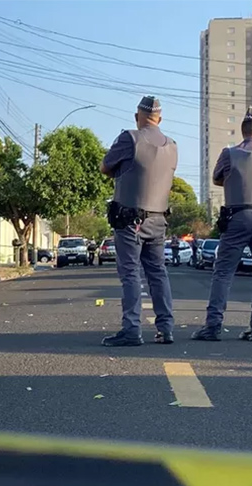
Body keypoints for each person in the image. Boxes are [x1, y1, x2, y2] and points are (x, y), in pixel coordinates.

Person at [192, 106, 252, 343]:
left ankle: (213, 326)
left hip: (238, 216)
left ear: (244, 132)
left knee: (223, 272)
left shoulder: (228, 153)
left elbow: (217, 178)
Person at [100, 95, 178, 346]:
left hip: (130, 219)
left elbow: (105, 166)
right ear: (160, 119)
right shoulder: (172, 145)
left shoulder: (129, 138)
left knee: (130, 273)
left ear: (137, 117)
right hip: (158, 220)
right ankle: (166, 327)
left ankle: (132, 329)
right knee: (158, 273)